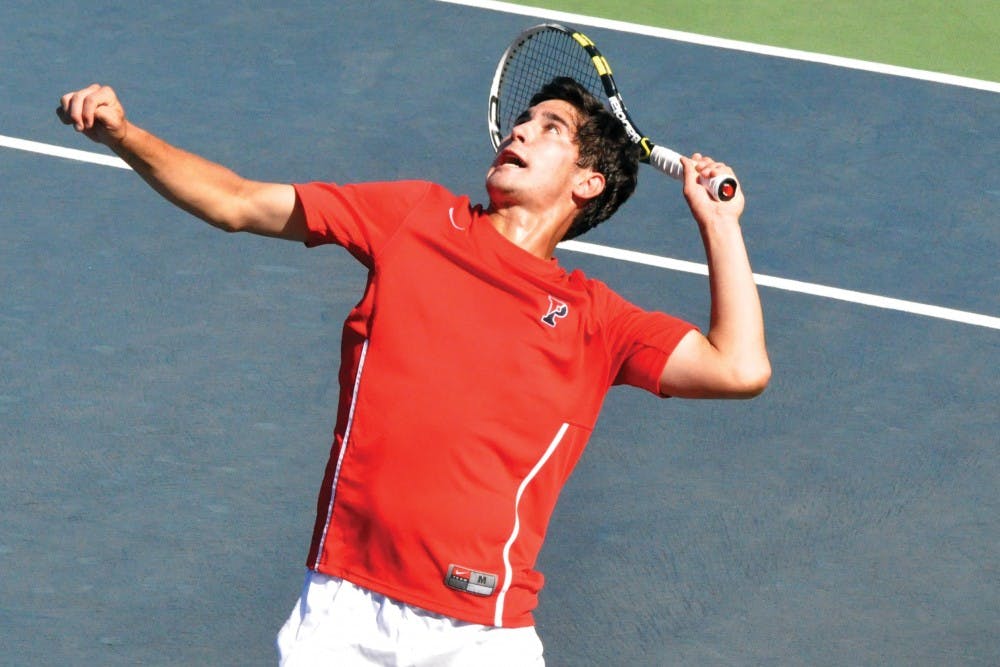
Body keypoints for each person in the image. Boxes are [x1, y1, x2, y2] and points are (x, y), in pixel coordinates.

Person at [58, 77, 769, 666]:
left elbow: (738, 367)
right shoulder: (415, 218)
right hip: (341, 608)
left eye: (548, 126)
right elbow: (239, 201)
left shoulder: (595, 320)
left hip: (482, 632)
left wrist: (719, 225)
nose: (517, 131)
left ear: (588, 180)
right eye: (519, 120)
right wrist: (124, 133)